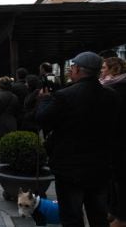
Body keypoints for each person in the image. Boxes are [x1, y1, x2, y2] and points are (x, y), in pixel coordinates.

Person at [36, 51, 120, 226]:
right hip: (100, 168)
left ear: (79, 70)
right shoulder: (111, 95)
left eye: (72, 67)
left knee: (72, 217)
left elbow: (43, 120)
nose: (70, 71)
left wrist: (43, 100)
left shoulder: (65, 95)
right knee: (98, 216)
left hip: (70, 169)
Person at [98, 57, 126, 226]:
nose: (101, 70)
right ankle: (113, 211)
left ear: (112, 69)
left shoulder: (118, 88)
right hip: (112, 140)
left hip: (120, 140)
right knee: (112, 179)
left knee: (121, 180)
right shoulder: (108, 86)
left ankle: (122, 217)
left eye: (104, 67)